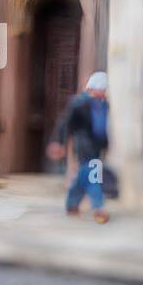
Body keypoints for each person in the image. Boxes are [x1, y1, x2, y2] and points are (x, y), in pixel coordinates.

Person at [46, 71, 111, 223]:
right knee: (94, 175)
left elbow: (102, 126)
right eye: (101, 89)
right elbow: (65, 123)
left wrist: (106, 143)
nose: (103, 92)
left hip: (97, 146)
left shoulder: (104, 104)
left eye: (104, 89)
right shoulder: (79, 102)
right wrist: (58, 142)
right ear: (92, 88)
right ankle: (99, 207)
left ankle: (71, 204)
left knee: (83, 176)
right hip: (83, 145)